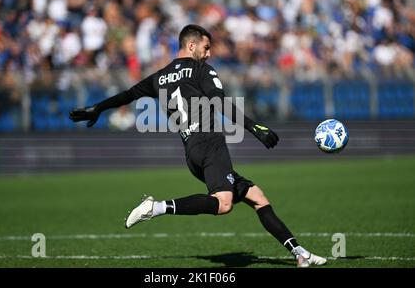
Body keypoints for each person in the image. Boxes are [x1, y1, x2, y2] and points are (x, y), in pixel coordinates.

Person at [69, 24, 327, 267]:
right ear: (191, 46)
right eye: (206, 47)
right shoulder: (202, 70)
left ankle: (300, 253)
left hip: (191, 150)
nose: (209, 53)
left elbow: (127, 95)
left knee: (257, 197)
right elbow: (220, 104)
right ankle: (156, 207)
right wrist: (254, 127)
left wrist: (98, 108)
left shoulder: (159, 77)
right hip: (210, 143)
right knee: (223, 204)